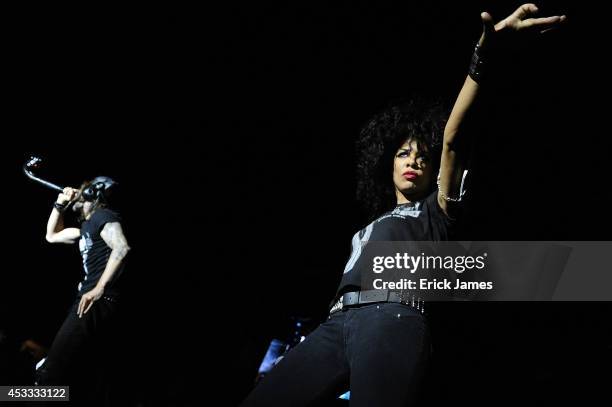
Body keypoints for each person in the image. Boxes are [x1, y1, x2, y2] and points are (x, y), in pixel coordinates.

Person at [241, 4, 566, 406]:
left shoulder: (436, 212)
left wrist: (483, 59)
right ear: (385, 163)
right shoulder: (365, 229)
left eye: (422, 157)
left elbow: (452, 138)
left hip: (394, 319)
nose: (413, 160)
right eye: (402, 153)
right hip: (336, 324)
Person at [38, 176, 130, 405]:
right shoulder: (86, 228)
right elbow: (51, 236)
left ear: (94, 195)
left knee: (49, 374)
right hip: (91, 300)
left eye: (83, 190)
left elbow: (122, 247)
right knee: (74, 374)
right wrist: (59, 205)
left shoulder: (103, 216)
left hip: (98, 300)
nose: (78, 193)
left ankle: (14, 397)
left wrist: (99, 288)